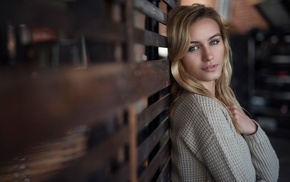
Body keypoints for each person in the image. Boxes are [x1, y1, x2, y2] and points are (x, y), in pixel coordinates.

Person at [167, 3, 279, 182]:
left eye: (214, 41)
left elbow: (270, 174)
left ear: (224, 45)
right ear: (179, 56)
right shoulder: (204, 109)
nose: (209, 55)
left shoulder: (219, 98)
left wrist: (252, 129)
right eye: (193, 47)